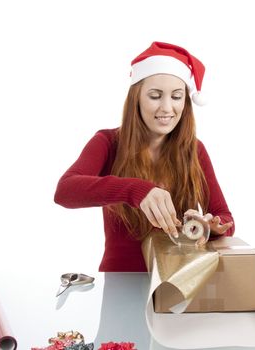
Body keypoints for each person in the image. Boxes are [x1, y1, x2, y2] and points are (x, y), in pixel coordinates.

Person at [54, 41, 234, 272]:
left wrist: (210, 225)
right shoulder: (108, 143)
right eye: (155, 96)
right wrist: (136, 191)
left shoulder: (194, 150)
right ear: (137, 98)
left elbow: (225, 217)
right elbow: (65, 191)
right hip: (120, 282)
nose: (167, 108)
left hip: (179, 281)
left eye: (177, 97)